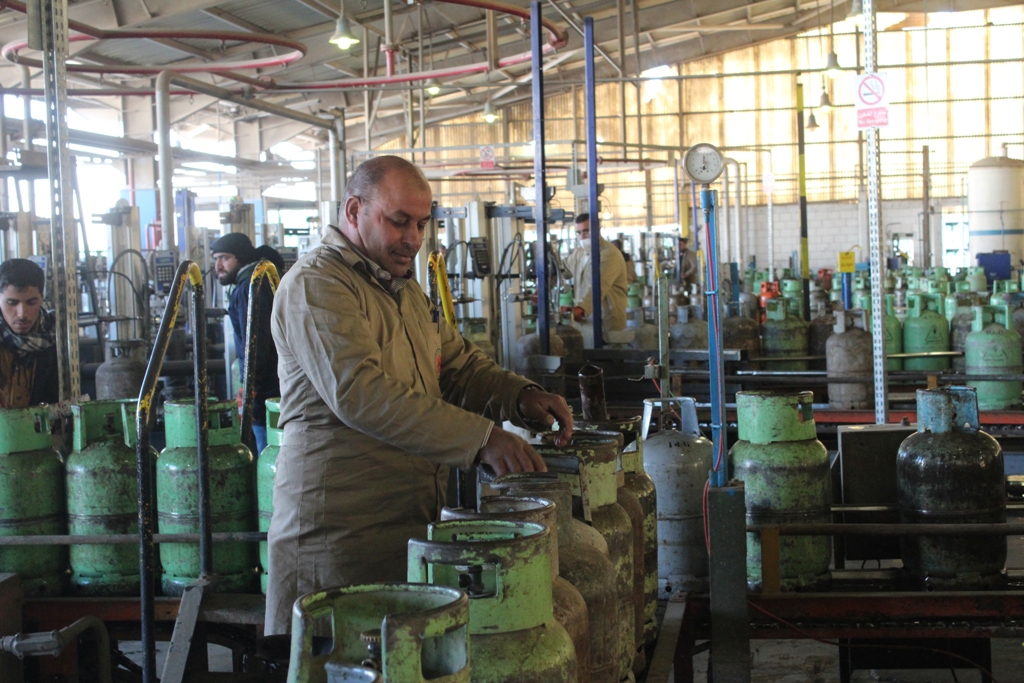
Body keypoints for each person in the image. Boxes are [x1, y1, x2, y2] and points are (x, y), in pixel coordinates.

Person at [265, 155, 573, 634]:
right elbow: (360, 392)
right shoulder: (317, 285)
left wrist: (519, 396)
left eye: (422, 224)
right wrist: (482, 439)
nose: (413, 238)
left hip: (410, 526)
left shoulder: (404, 290)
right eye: (399, 221)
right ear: (354, 211)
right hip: (341, 539)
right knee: (346, 657)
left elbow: (458, 365)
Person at [210, 232, 280, 454]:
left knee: (267, 450)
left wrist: (249, 388)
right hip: (274, 383)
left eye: (224, 258)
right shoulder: (260, 281)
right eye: (215, 259)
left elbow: (255, 343)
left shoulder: (249, 289)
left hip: (265, 387)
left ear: (241, 257)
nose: (218, 266)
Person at [0, 258, 58, 408]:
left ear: (42, 296)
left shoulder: (58, 337)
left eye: (31, 303)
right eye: (11, 303)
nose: (22, 314)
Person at [561, 213, 629, 334]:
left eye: (586, 231)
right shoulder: (579, 254)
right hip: (585, 323)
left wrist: (580, 310)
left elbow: (598, 286)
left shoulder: (610, 255)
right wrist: (545, 280)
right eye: (579, 232)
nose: (582, 237)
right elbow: (561, 269)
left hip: (607, 324)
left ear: (598, 230)